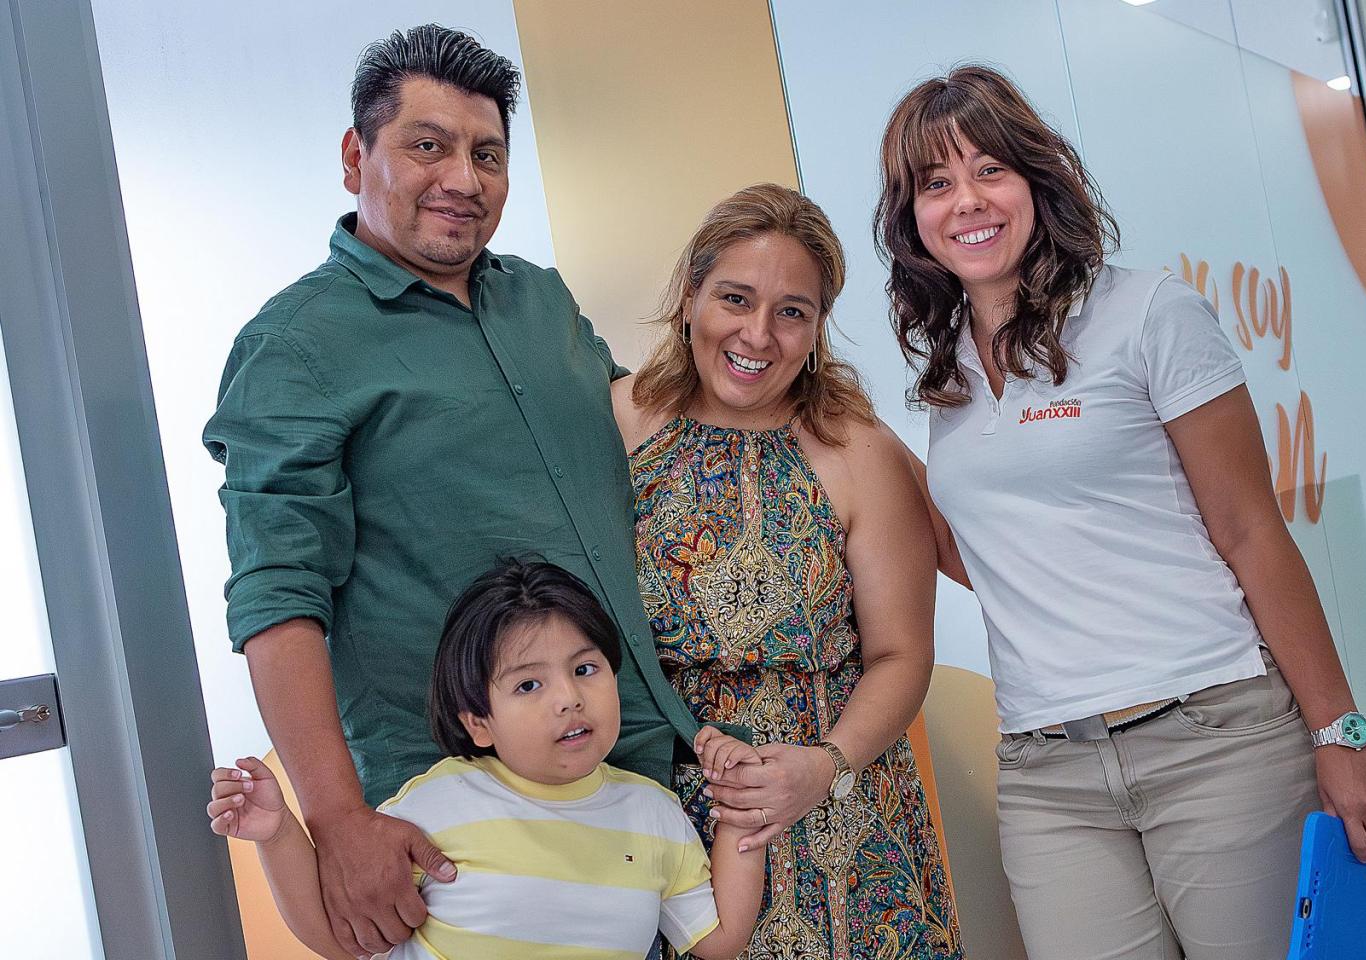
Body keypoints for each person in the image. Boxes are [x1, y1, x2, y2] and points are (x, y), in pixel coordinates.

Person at [202, 25, 702, 958]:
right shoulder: (298, 346)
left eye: (488, 154)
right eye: (427, 146)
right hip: (457, 812)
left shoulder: (541, 301)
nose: (464, 180)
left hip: (635, 776)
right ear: (357, 158)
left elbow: (651, 429)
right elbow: (277, 603)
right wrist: (340, 822)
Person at [873, 65, 1366, 960]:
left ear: (1037, 179)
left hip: (1214, 736)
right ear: (912, 217)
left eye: (989, 169)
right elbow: (989, 551)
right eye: (936, 183)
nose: (967, 201)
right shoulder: (949, 369)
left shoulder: (1149, 312)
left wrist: (1340, 732)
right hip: (1048, 768)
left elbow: (1251, 533)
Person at [608, 183, 963, 959]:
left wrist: (824, 766)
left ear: (818, 329)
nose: (758, 334)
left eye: (792, 311)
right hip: (664, 812)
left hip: (839, 807)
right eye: (735, 298)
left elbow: (901, 653)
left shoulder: (856, 450)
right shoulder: (617, 423)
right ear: (690, 297)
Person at [209, 560, 766, 960]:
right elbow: (339, 940)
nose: (568, 697)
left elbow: (719, 941)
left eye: (585, 669)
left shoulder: (654, 814)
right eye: (528, 685)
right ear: (478, 721)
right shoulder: (436, 804)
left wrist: (742, 809)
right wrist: (277, 834)